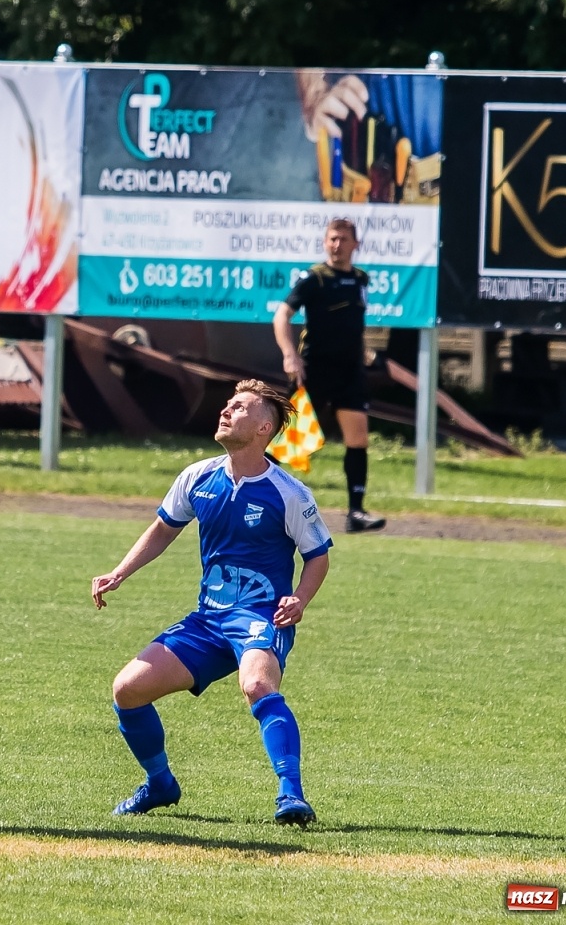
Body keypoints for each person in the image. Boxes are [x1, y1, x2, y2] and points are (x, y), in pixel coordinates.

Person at [92, 381, 332, 826]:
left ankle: (291, 795)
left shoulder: (288, 492)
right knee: (127, 690)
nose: (225, 410)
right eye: (227, 404)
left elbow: (318, 557)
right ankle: (160, 784)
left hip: (262, 617)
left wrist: (299, 599)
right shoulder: (198, 477)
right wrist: (120, 571)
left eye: (238, 407)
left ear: (264, 427)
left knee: (258, 686)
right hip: (208, 621)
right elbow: (164, 528)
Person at [273, 217, 387, 533]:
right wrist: (289, 354)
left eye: (343, 239)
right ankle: (250, 497)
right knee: (289, 440)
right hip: (314, 369)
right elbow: (282, 315)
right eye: (332, 239)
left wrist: (366, 355)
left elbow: (352, 328)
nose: (337, 245)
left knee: (358, 437)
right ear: (326, 243)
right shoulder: (315, 278)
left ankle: (356, 512)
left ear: (356, 244)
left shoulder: (361, 280)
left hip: (349, 371)